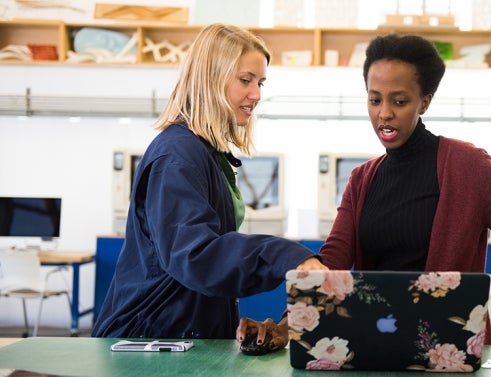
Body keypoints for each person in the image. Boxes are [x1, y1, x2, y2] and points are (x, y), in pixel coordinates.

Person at [237, 33, 491, 349]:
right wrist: (283, 326)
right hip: (367, 343)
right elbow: (329, 267)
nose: (384, 113)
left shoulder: (469, 166)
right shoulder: (362, 180)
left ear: (425, 101)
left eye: (399, 100)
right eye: (374, 99)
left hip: (449, 350)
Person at [92, 23, 326, 341]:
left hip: (182, 330)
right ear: (211, 77)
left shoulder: (204, 152)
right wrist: (283, 255)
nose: (256, 94)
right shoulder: (177, 156)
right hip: (151, 337)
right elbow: (197, 255)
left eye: (260, 83)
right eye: (246, 80)